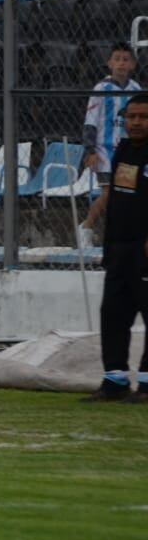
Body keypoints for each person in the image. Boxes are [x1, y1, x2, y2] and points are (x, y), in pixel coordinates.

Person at [85, 93, 148, 402]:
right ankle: (115, 382)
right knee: (112, 314)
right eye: (131, 117)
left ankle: (147, 386)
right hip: (120, 250)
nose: (136, 122)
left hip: (145, 250)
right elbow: (119, 199)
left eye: (143, 117)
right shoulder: (124, 150)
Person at [80, 44, 142, 249]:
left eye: (126, 59)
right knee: (108, 193)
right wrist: (89, 150)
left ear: (132, 64)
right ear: (109, 63)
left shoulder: (136, 90)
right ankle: (86, 227)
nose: (121, 63)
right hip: (104, 151)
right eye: (117, 59)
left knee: (125, 193)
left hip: (127, 150)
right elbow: (90, 120)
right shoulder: (101, 89)